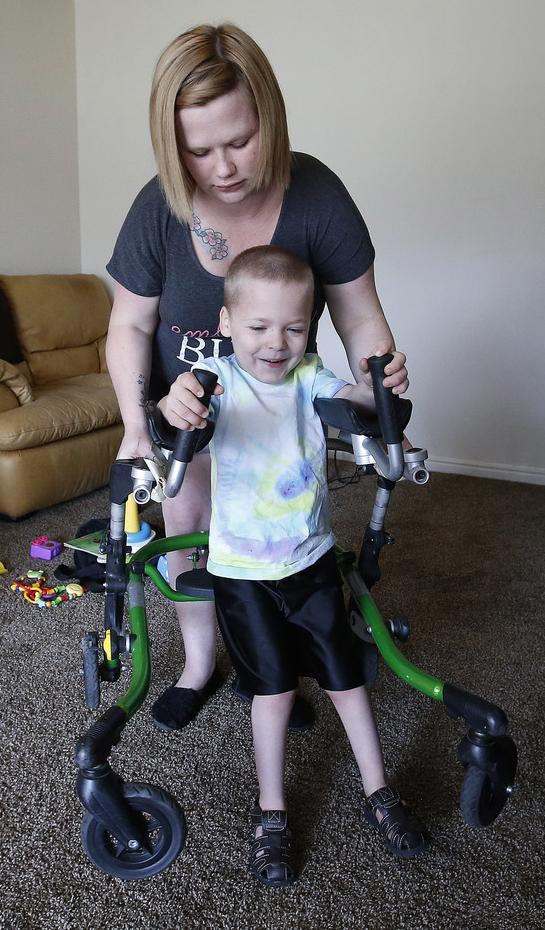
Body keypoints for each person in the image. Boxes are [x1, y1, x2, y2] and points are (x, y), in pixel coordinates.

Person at [106, 23, 409, 732]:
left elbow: (361, 315)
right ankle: (200, 664)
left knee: (277, 541)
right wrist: (132, 428)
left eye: (239, 140)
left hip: (277, 417)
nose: (223, 167)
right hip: (192, 415)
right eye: (199, 149)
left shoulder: (318, 195)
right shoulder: (158, 207)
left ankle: (265, 667)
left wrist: (378, 381)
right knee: (189, 527)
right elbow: (128, 326)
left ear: (267, 116)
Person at [158, 245, 428, 886]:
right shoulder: (216, 382)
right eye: (258, 326)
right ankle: (272, 811)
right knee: (272, 692)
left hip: (309, 563)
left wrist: (377, 386)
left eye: (294, 326)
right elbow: (180, 414)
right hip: (241, 575)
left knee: (346, 681)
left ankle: (379, 790)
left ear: (311, 328)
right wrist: (175, 405)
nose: (275, 343)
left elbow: (357, 402)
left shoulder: (311, 376)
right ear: (226, 324)